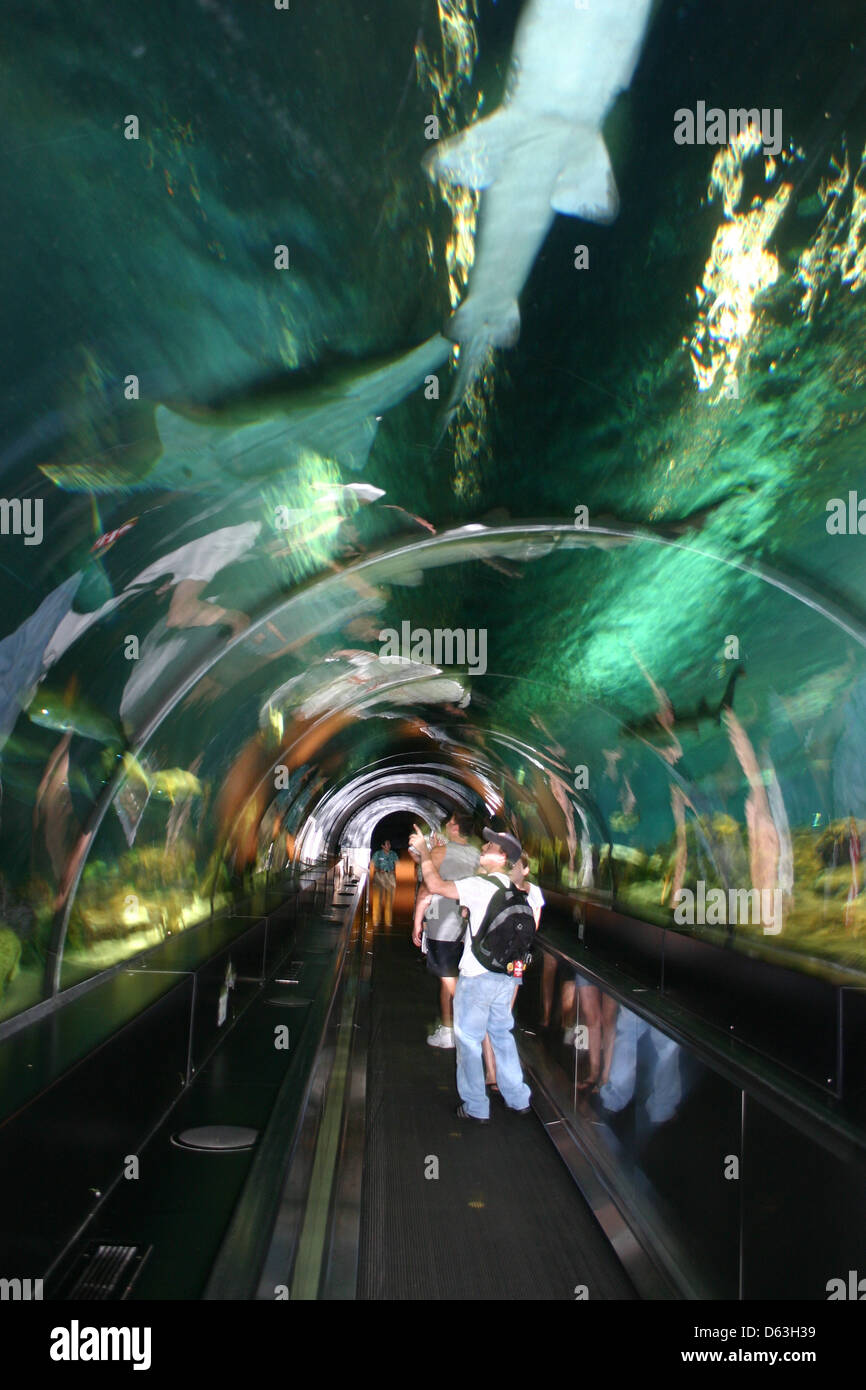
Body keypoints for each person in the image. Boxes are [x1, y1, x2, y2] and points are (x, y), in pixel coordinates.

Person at [409, 823, 532, 1123]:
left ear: (501, 858)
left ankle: (476, 1106)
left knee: (468, 1041)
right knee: (502, 1036)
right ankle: (518, 1098)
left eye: (490, 848)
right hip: (506, 977)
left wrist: (425, 852)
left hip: (477, 977)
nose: (484, 849)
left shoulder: (480, 886)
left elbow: (436, 885)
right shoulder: (513, 889)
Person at [411, 812, 480, 1049]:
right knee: (452, 976)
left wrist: (417, 920)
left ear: (454, 827)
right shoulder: (478, 856)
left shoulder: (440, 853)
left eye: (449, 822)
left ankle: (462, 1028)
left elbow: (426, 889)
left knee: (447, 975)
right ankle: (448, 1027)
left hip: (442, 924)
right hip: (469, 926)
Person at [482, 851, 544, 1089]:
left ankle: (501, 1071)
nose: (512, 868)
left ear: (526, 870)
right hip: (495, 958)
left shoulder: (533, 893)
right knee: (490, 1015)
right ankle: (492, 1071)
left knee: (501, 1016)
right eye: (510, 864)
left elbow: (533, 927)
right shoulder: (497, 887)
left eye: (516, 865)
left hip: (515, 961)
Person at [370, 838, 399, 927]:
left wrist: (395, 871)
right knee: (377, 899)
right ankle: (376, 920)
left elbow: (398, 864)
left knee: (389, 900)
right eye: (387, 844)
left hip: (390, 877)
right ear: (382, 846)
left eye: (389, 844)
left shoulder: (393, 854)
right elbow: (371, 865)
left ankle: (388, 921)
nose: (389, 846)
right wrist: (378, 869)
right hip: (379, 876)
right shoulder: (377, 854)